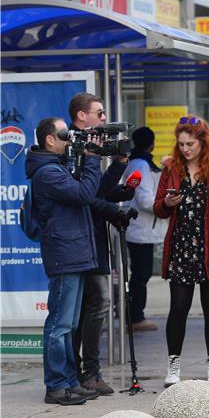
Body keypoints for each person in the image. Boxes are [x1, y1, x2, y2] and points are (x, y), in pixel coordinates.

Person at [153, 115, 209, 387]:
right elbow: (158, 207)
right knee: (178, 308)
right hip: (182, 247)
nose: (185, 149)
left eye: (190, 143)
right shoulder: (171, 167)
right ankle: (173, 365)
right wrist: (168, 202)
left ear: (203, 142)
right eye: (181, 144)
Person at [26, 117, 102, 405]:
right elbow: (84, 193)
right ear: (49, 139)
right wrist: (92, 161)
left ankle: (69, 380)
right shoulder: (47, 173)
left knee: (68, 324)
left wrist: (86, 160)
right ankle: (56, 385)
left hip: (73, 254)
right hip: (64, 255)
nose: (70, 139)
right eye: (64, 135)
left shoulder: (57, 167)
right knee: (59, 324)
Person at [68, 93, 132, 397]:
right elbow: (87, 197)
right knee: (94, 305)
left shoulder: (90, 147)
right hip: (80, 240)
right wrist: (113, 212)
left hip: (92, 239)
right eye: (99, 112)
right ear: (82, 116)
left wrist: (119, 163)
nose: (105, 118)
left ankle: (87, 371)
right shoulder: (72, 149)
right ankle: (86, 372)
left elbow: (102, 190)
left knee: (91, 307)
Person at [123, 127, 168, 331]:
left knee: (141, 274)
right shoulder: (141, 165)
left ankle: (134, 315)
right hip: (141, 229)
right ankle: (135, 317)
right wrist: (166, 203)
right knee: (141, 275)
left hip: (141, 229)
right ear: (152, 144)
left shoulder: (138, 162)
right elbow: (145, 199)